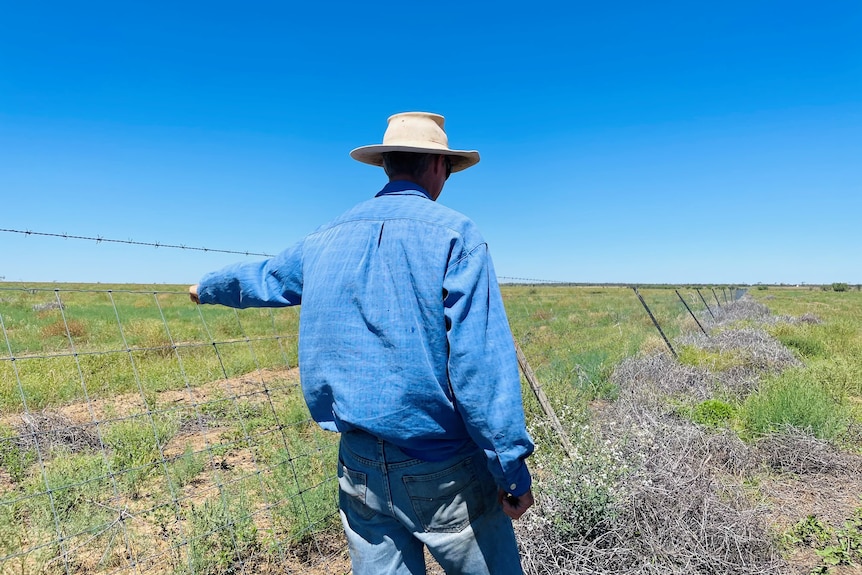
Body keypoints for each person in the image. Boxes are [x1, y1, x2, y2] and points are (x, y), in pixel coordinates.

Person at [189, 112, 535, 574]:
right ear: (437, 165)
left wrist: (204, 287)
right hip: (443, 465)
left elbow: (266, 278)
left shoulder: (326, 236)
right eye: (448, 170)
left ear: (387, 165)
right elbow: (479, 370)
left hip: (358, 463)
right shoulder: (457, 234)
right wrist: (510, 471)